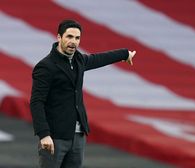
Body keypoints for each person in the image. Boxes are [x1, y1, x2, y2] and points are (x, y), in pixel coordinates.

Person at [30, 19, 136, 168]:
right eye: (69, 37)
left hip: (78, 136)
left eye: (77, 38)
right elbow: (36, 102)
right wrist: (44, 134)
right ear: (59, 37)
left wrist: (124, 54)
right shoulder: (46, 67)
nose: (73, 41)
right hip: (55, 136)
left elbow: (99, 59)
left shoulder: (78, 60)